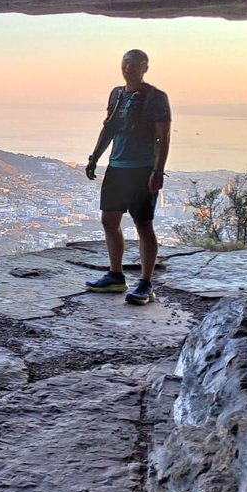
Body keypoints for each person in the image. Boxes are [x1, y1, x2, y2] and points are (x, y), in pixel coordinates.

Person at [83, 49, 171, 305]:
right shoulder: (117, 94)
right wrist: (94, 157)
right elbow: (108, 127)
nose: (128, 68)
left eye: (135, 64)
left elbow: (163, 138)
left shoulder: (156, 97)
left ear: (146, 68)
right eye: (125, 63)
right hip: (117, 166)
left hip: (142, 168)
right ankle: (116, 276)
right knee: (109, 220)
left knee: (143, 224)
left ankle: (145, 284)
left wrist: (158, 171)